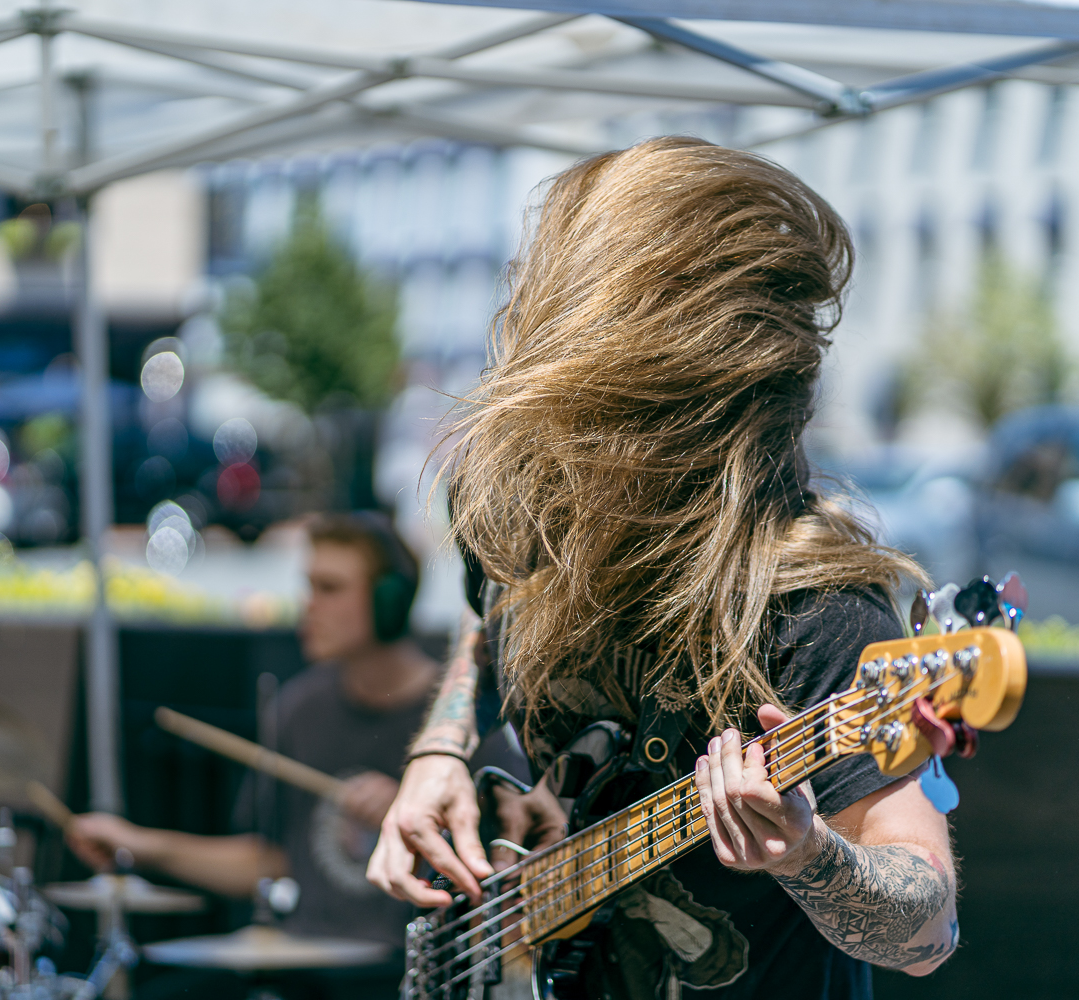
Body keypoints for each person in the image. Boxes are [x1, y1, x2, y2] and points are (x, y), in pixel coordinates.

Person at [368, 137, 959, 999]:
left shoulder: (813, 606)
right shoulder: (524, 511)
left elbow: (926, 930)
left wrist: (809, 854)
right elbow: (485, 625)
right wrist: (440, 754)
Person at [67, 512, 440, 999]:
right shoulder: (300, 708)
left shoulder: (450, 722)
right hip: (305, 970)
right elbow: (268, 859)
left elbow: (498, 863)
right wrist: (137, 845)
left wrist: (421, 811)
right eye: (308, 585)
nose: (309, 606)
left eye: (330, 588)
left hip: (404, 975)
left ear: (390, 602)